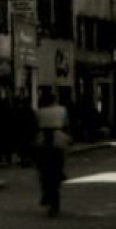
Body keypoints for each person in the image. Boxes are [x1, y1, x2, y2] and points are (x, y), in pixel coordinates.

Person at [35, 88, 71, 217]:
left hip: (42, 139)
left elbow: (35, 125)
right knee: (59, 163)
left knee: (42, 169)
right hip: (57, 138)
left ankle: (46, 193)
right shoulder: (62, 110)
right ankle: (61, 173)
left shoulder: (39, 112)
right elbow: (66, 124)